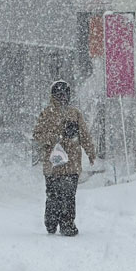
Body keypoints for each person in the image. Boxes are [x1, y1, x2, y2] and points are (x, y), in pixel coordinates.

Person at [32, 80, 96, 236]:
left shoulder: (75, 114)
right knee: (53, 195)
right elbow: (37, 135)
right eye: (59, 94)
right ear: (53, 96)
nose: (62, 97)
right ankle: (51, 221)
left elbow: (85, 135)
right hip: (53, 165)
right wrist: (55, 138)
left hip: (72, 164)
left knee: (68, 196)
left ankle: (67, 224)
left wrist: (91, 152)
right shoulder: (46, 114)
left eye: (65, 94)